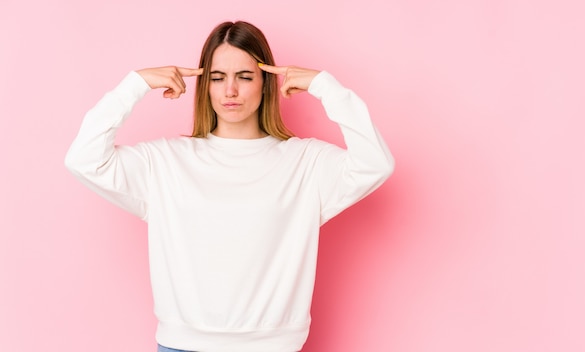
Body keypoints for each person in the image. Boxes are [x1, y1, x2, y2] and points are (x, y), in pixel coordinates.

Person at [65, 20, 394, 352]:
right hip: (182, 345)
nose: (230, 91)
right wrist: (134, 85)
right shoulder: (165, 161)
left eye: (245, 77)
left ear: (266, 83)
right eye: (218, 78)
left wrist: (327, 87)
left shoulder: (305, 162)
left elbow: (375, 164)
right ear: (204, 85)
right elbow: (84, 160)